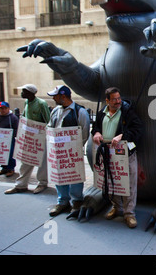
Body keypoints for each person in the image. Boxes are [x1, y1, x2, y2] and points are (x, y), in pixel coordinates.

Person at [91, 87, 143, 228]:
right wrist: (96, 133)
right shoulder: (102, 113)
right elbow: (95, 127)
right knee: (111, 181)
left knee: (129, 184)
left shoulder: (127, 112)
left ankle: (129, 213)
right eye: (114, 99)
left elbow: (137, 129)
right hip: (108, 154)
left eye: (119, 98)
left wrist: (123, 135)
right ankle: (116, 207)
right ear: (107, 101)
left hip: (125, 154)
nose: (118, 101)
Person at [46, 85, 90, 217]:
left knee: (74, 176)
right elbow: (49, 126)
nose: (53, 98)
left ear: (63, 96)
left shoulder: (80, 112)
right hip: (57, 152)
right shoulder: (55, 111)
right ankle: (63, 201)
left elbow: (85, 131)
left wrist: (75, 147)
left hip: (72, 152)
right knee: (59, 176)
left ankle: (76, 200)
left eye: (55, 95)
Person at [5, 84, 51, 194]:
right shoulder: (26, 102)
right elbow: (25, 118)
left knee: (42, 162)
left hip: (41, 137)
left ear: (31, 93)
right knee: (25, 160)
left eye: (24, 91)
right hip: (29, 137)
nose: (22, 93)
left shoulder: (41, 104)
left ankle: (42, 183)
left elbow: (48, 121)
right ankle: (21, 185)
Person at [0, 101, 19, 177]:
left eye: (5, 108)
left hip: (9, 139)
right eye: (1, 108)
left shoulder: (13, 118)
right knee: (1, 154)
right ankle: (4, 168)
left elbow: (17, 129)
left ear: (8, 108)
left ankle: (11, 168)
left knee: (10, 154)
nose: (3, 110)